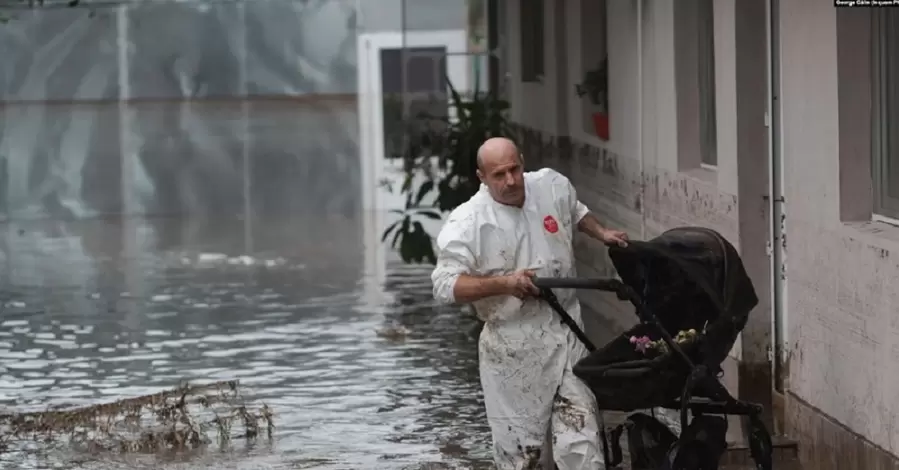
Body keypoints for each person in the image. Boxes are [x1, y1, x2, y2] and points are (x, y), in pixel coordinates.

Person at [430, 137, 629, 470]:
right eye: (499, 175)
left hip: (567, 333)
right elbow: (446, 285)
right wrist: (505, 283)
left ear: (522, 162)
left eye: (515, 169)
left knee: (582, 443)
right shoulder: (468, 222)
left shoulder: (551, 185)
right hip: (513, 348)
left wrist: (602, 233)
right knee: (524, 456)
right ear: (481, 176)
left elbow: (576, 212)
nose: (510, 181)